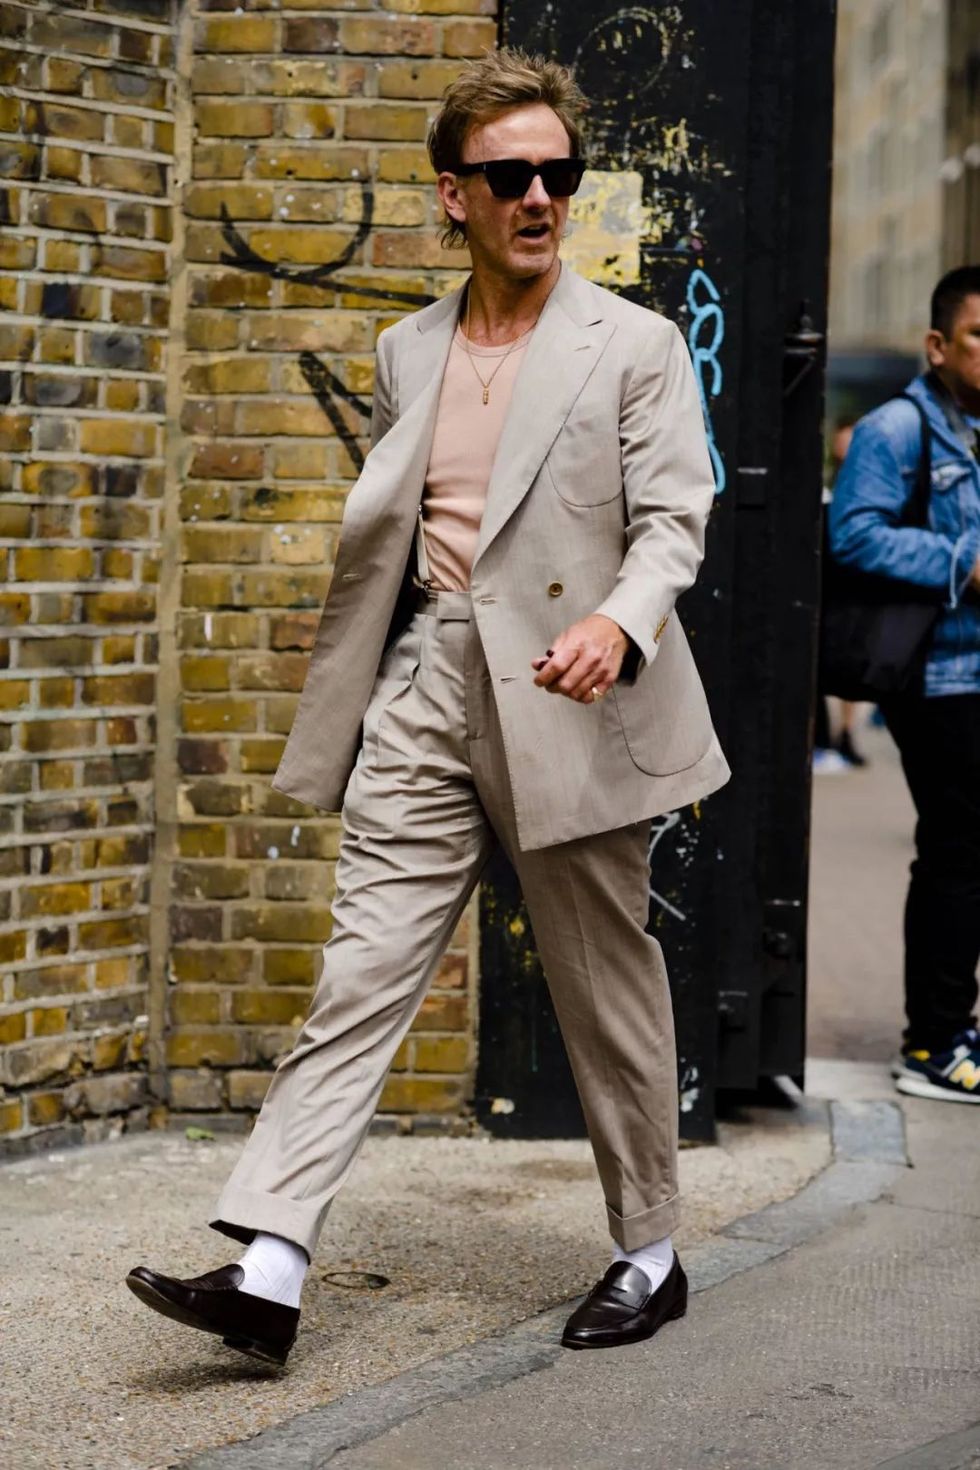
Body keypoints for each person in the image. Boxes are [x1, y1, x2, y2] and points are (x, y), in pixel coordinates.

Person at [126, 48, 729, 1365]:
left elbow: (676, 517)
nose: (539, 197)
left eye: (557, 175)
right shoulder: (408, 347)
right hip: (432, 684)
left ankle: (651, 1247)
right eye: (509, 175)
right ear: (450, 195)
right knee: (362, 970)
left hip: (574, 690)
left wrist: (615, 621)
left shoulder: (631, 342)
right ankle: (272, 1266)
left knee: (602, 979)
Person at [829, 265, 980, 1105]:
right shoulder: (897, 429)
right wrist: (964, 564)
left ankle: (955, 1024)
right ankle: (932, 1043)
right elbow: (852, 537)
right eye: (978, 335)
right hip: (936, 674)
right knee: (957, 852)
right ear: (938, 345)